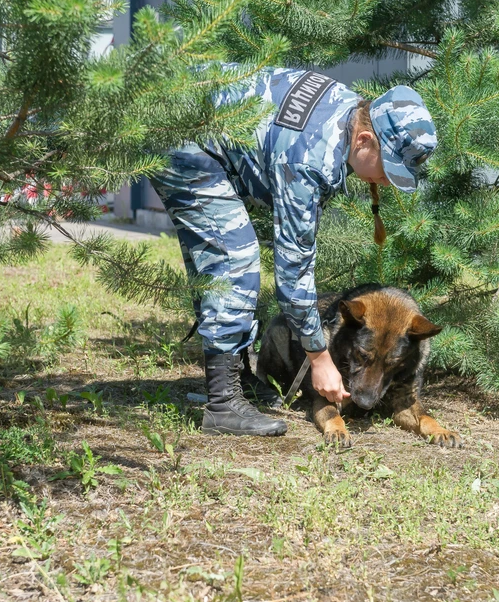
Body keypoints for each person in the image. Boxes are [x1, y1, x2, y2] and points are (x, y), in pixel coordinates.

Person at [150, 66, 437, 436]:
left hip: (191, 116)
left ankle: (237, 379)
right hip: (183, 138)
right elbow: (293, 273)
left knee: (227, 251)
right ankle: (223, 404)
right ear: (364, 140)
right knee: (233, 256)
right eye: (387, 169)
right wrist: (319, 359)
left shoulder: (347, 113)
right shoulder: (308, 159)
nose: (386, 181)